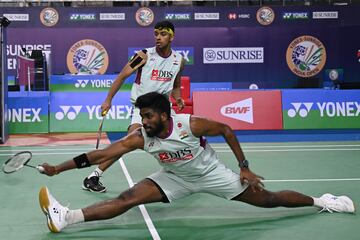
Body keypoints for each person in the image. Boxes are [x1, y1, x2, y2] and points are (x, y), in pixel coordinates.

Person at [39, 92, 355, 233]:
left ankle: (322, 201)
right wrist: (58, 168)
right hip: (174, 176)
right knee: (128, 198)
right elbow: (99, 156)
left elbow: (227, 129)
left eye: (148, 116)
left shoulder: (189, 124)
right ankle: (67, 217)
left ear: (164, 115)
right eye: (141, 116)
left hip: (211, 174)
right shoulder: (141, 136)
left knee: (269, 201)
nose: (143, 121)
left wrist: (243, 165)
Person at [83, 20, 186, 193]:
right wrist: (108, 99)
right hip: (143, 110)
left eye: (163, 34)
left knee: (183, 138)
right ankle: (94, 176)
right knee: (129, 141)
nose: (158, 38)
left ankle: (183, 174)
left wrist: (178, 98)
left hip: (164, 111)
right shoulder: (144, 55)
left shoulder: (179, 60)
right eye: (156, 34)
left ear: (172, 37)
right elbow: (121, 77)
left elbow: (176, 85)